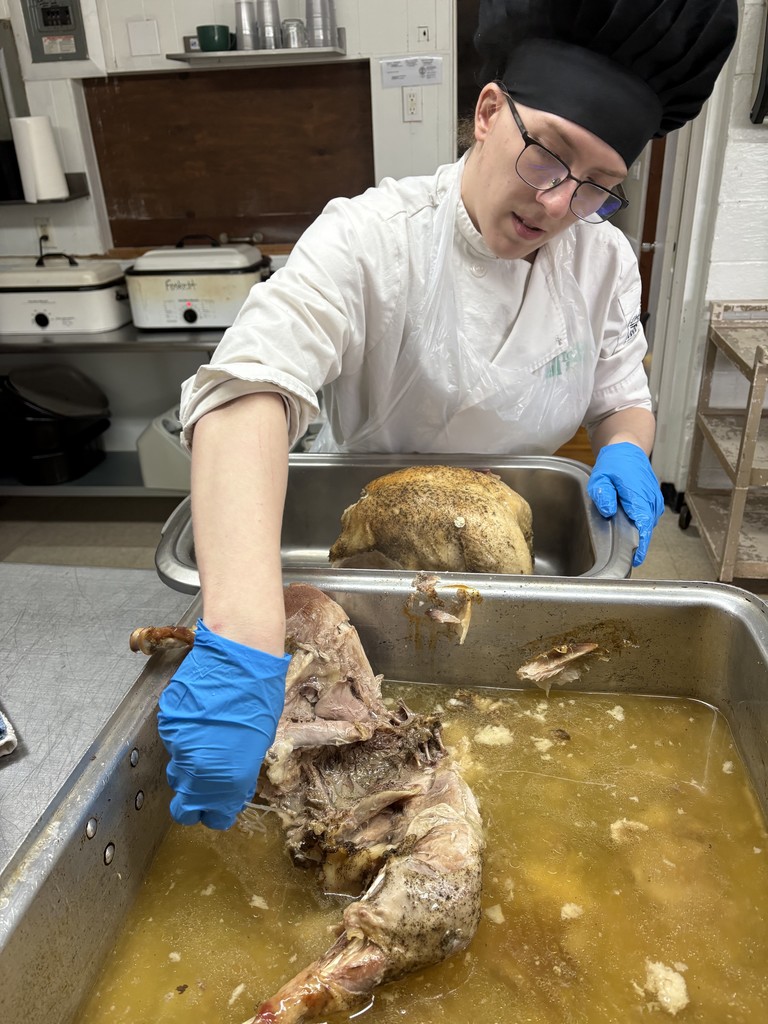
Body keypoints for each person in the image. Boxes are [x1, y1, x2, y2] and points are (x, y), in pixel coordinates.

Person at [157, 0, 739, 830]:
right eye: (549, 159)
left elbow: (621, 394)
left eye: (598, 186)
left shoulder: (602, 258)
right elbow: (248, 387)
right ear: (489, 112)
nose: (558, 203)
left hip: (514, 554)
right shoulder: (371, 238)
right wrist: (242, 634)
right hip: (373, 559)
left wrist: (628, 452)